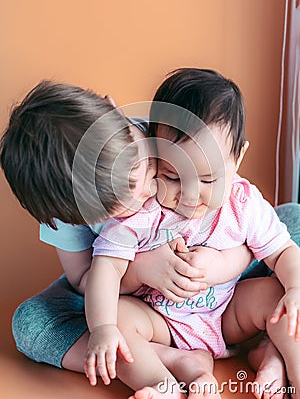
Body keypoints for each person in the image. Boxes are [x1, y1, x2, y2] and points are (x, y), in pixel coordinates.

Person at [0, 80, 252, 382]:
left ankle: (148, 352)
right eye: (117, 209)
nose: (149, 190)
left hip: (216, 284)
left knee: (290, 220)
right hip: (127, 302)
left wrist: (225, 261)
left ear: (116, 111)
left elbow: (239, 210)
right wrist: (139, 270)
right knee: (30, 324)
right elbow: (81, 280)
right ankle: (159, 357)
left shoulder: (166, 133)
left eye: (142, 169)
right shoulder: (67, 213)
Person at [84, 68, 300, 399]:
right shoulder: (143, 208)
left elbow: (283, 251)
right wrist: (102, 329)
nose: (189, 194)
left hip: (230, 314)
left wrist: (295, 287)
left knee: (281, 300)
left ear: (238, 157)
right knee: (118, 319)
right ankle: (162, 385)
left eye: (208, 180)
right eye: (172, 175)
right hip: (162, 323)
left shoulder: (243, 202)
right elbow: (106, 267)